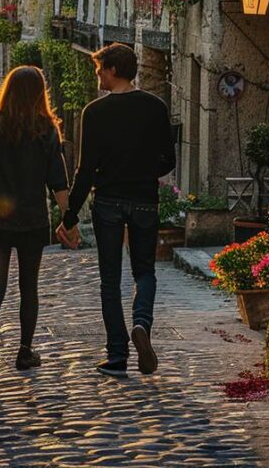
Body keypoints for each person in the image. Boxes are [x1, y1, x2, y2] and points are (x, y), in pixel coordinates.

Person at [56, 43, 175, 378]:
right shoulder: (156, 107)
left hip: (107, 201)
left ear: (111, 69)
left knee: (109, 281)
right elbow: (169, 159)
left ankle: (118, 356)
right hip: (144, 200)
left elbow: (85, 169)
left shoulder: (94, 113)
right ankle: (141, 323)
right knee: (145, 271)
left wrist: (69, 216)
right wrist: (144, 171)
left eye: (99, 70)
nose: (98, 76)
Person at [0, 65, 71, 381]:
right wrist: (69, 219)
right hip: (32, 219)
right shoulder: (46, 129)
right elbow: (57, 180)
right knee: (29, 288)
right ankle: (24, 350)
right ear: (40, 94)